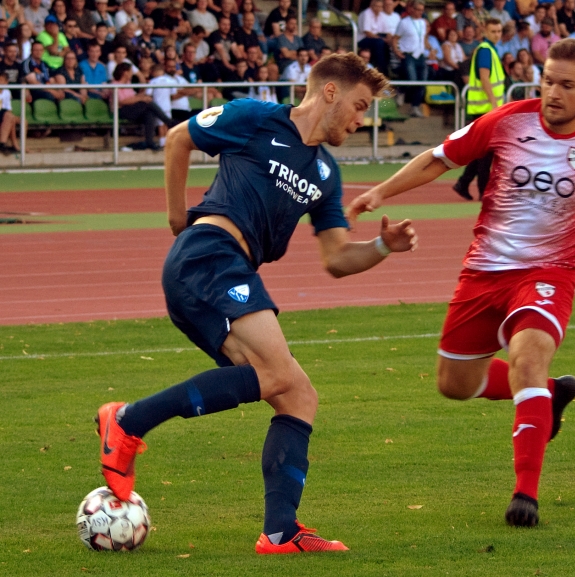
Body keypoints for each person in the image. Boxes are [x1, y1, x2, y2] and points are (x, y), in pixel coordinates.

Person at [347, 39, 575, 529]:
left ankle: (525, 494)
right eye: (547, 80)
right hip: (482, 274)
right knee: (455, 385)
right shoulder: (508, 120)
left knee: (528, 357)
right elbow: (440, 157)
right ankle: (549, 395)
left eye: (566, 85)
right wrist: (381, 190)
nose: (553, 93)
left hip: (547, 276)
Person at [95, 53, 417, 554]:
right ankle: (127, 422)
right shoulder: (255, 118)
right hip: (210, 256)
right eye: (359, 105)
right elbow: (180, 138)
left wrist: (381, 248)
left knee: (298, 395)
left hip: (228, 272)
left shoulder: (326, 174)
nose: (361, 119)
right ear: (330, 92)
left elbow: (335, 258)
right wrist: (178, 219)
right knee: (280, 374)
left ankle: (280, 532)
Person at [452, 17, 503, 202]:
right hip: (484, 108)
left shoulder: (490, 50)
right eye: (493, 31)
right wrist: (495, 103)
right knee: (486, 154)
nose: (497, 34)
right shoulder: (485, 50)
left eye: (499, 31)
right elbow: (484, 77)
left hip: (482, 108)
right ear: (485, 33)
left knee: (480, 152)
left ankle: (463, 183)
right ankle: (484, 191)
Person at [393, 0, 428, 118]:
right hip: (409, 54)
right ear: (412, 9)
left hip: (420, 54)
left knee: (422, 82)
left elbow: (423, 38)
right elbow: (395, 38)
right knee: (412, 79)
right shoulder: (404, 22)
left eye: (422, 10)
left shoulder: (423, 22)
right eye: (418, 9)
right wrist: (396, 51)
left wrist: (431, 49)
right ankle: (401, 90)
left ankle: (415, 106)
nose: (420, 12)